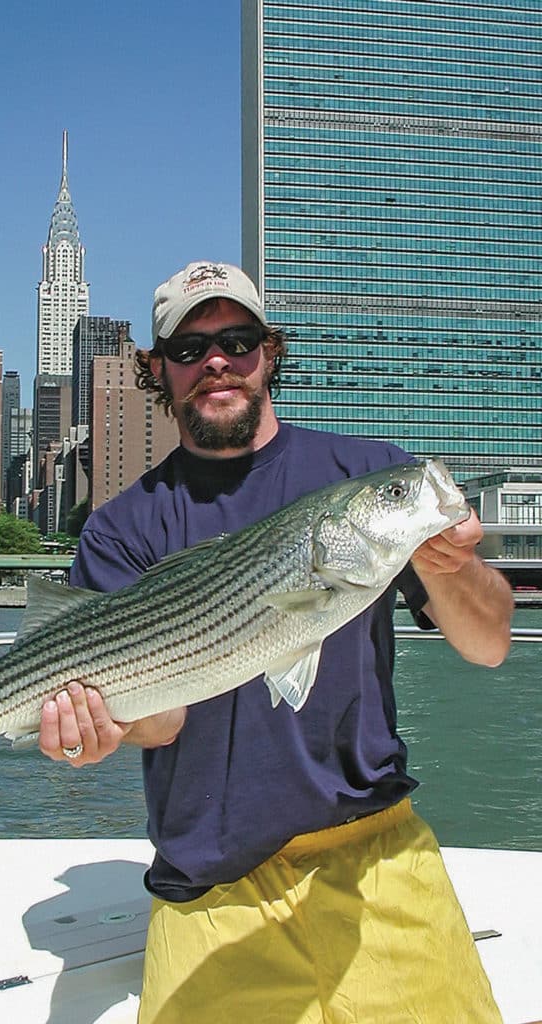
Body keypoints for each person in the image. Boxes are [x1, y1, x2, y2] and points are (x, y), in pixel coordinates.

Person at [38, 261, 515, 1023]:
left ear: (270, 351)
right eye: (190, 349)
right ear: (158, 369)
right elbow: (162, 721)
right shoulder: (122, 527)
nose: (217, 360)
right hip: (209, 884)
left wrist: (452, 567)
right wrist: (104, 726)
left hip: (380, 857)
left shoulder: (367, 474)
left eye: (237, 338)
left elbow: (490, 643)